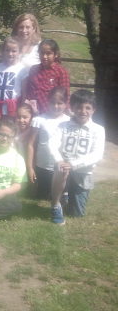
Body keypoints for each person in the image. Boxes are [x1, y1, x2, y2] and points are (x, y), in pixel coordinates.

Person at [49, 90, 105, 225]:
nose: (83, 111)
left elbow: (97, 154)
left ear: (94, 110)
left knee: (77, 213)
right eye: (79, 107)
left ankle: (66, 195)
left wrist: (73, 164)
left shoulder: (98, 130)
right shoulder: (62, 126)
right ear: (72, 108)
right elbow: (52, 144)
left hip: (83, 172)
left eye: (88, 108)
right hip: (63, 168)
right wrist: (59, 160)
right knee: (61, 169)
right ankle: (55, 206)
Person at [26, 87, 69, 200]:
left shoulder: (69, 121)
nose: (56, 106)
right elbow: (30, 144)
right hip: (42, 167)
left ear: (66, 104)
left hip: (61, 168)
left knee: (59, 196)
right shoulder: (39, 120)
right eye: (53, 102)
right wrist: (30, 168)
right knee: (40, 197)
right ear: (48, 102)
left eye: (60, 103)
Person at [0, 37, 28, 125]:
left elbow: (24, 93)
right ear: (3, 51)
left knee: (11, 132)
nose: (10, 53)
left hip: (13, 110)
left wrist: (21, 111)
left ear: (20, 52)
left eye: (14, 51)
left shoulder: (22, 70)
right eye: (7, 50)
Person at [23, 39, 70, 115]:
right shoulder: (33, 70)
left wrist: (64, 113)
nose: (44, 56)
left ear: (56, 54)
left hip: (52, 112)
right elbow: (29, 91)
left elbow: (65, 95)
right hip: (33, 111)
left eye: (48, 53)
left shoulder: (61, 72)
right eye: (42, 53)